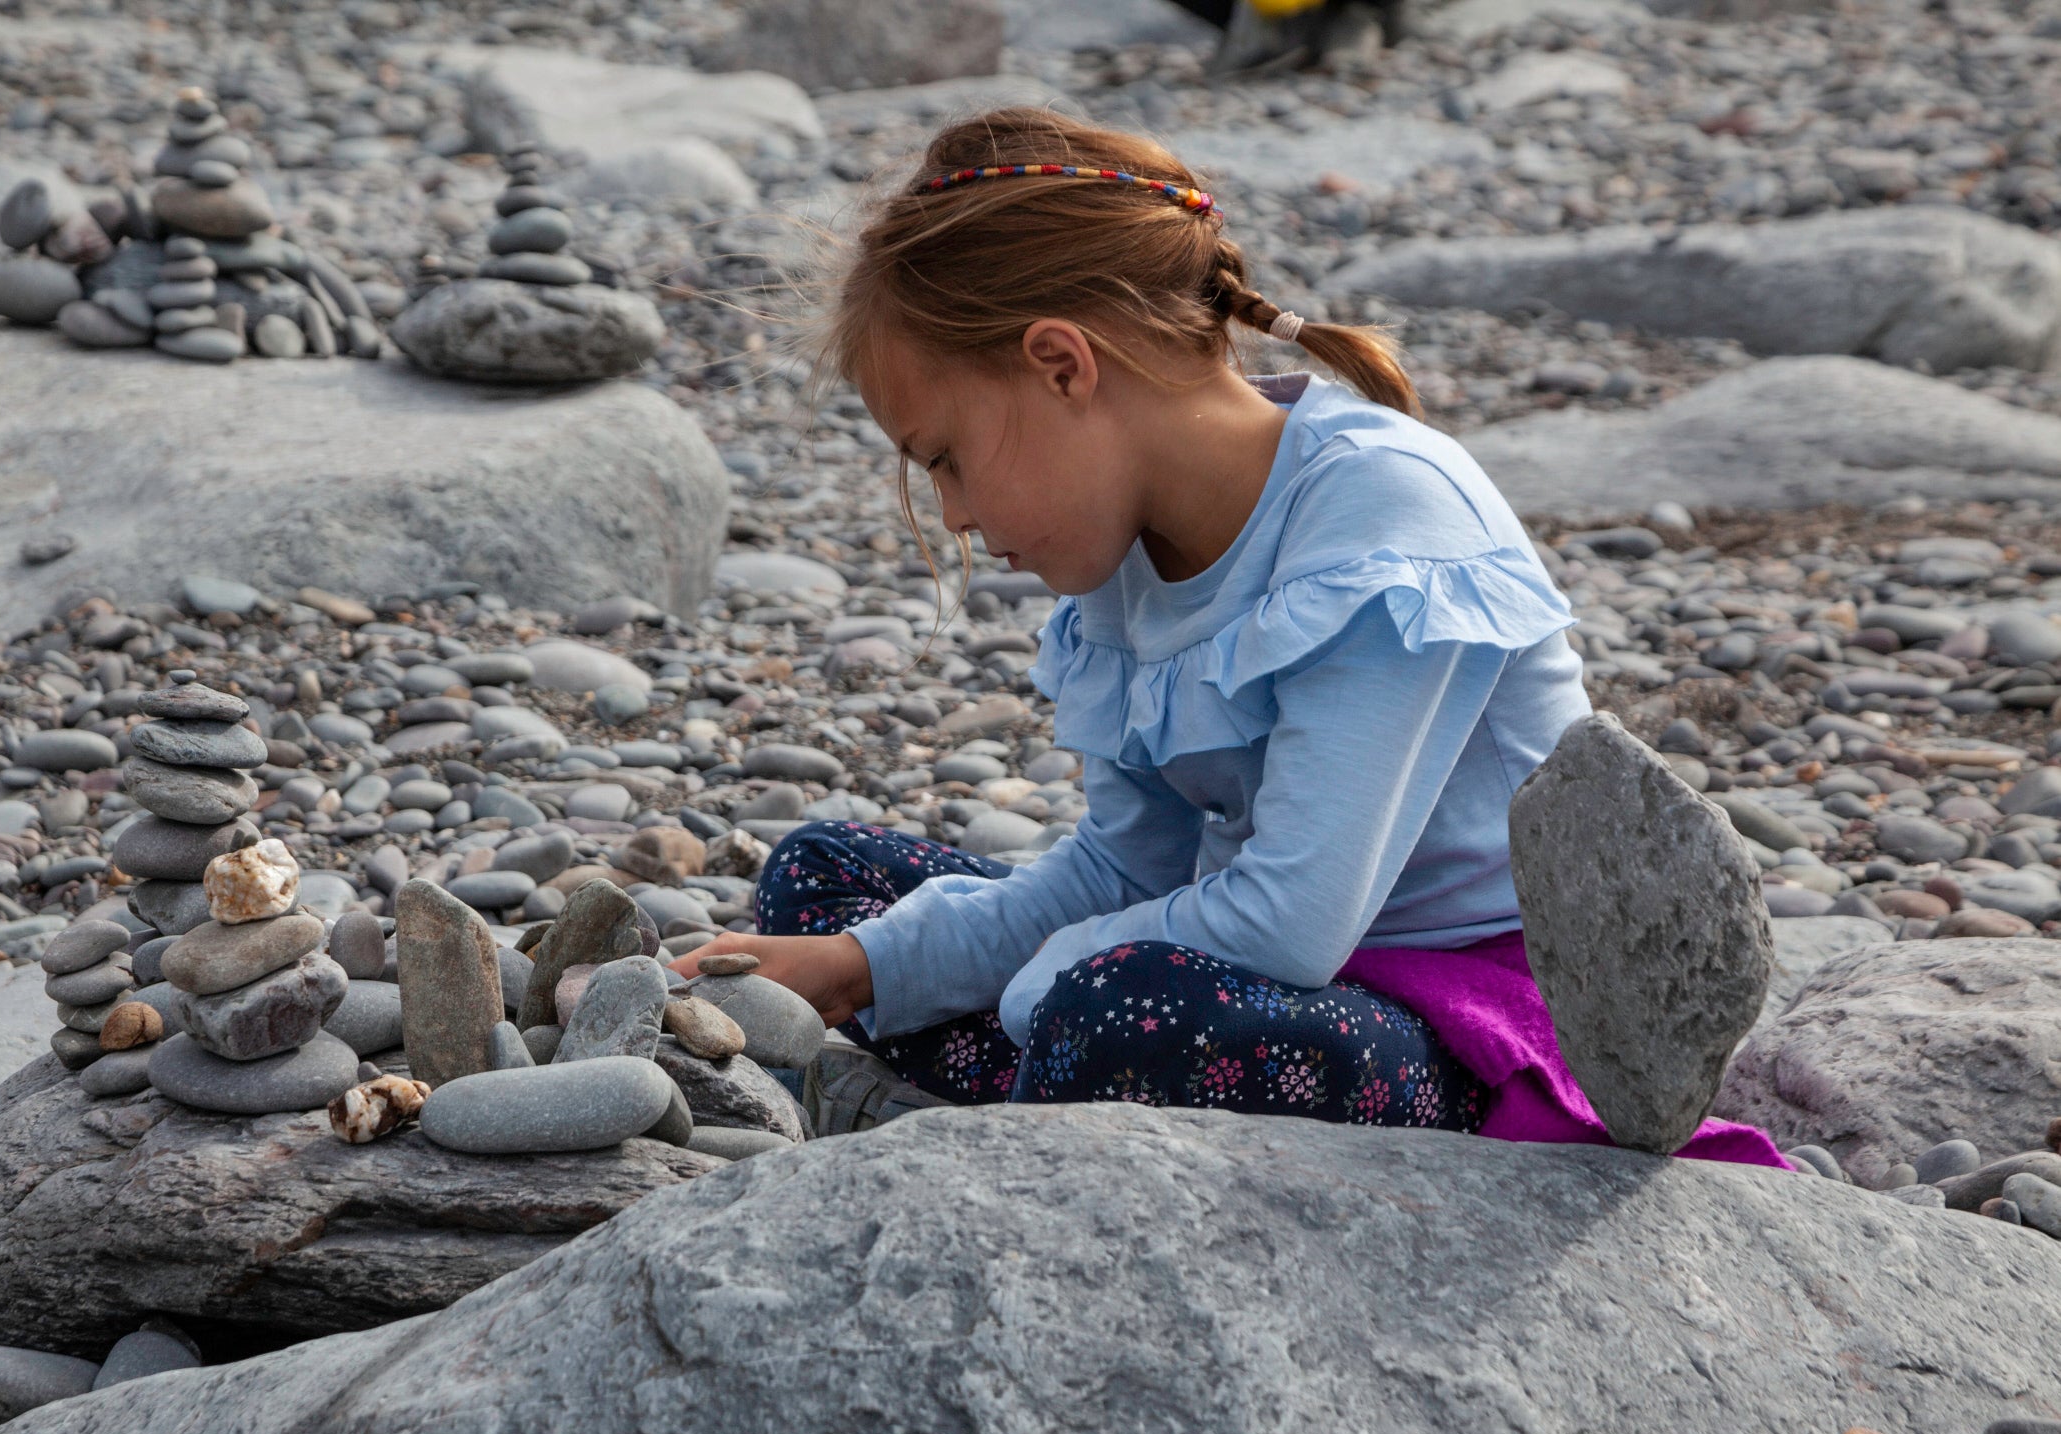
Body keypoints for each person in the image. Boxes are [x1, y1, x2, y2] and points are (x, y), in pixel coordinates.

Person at [671, 109, 1782, 1164]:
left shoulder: (1382, 513)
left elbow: (1293, 920)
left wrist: (1038, 981)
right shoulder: (1123, 549)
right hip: (1250, 974)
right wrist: (864, 963)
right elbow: (1123, 866)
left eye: (946, 457)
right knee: (824, 883)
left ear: (1062, 365)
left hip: (1464, 1018)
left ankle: (1041, 1089)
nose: (954, 516)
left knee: (1120, 1006)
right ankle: (1049, 1090)